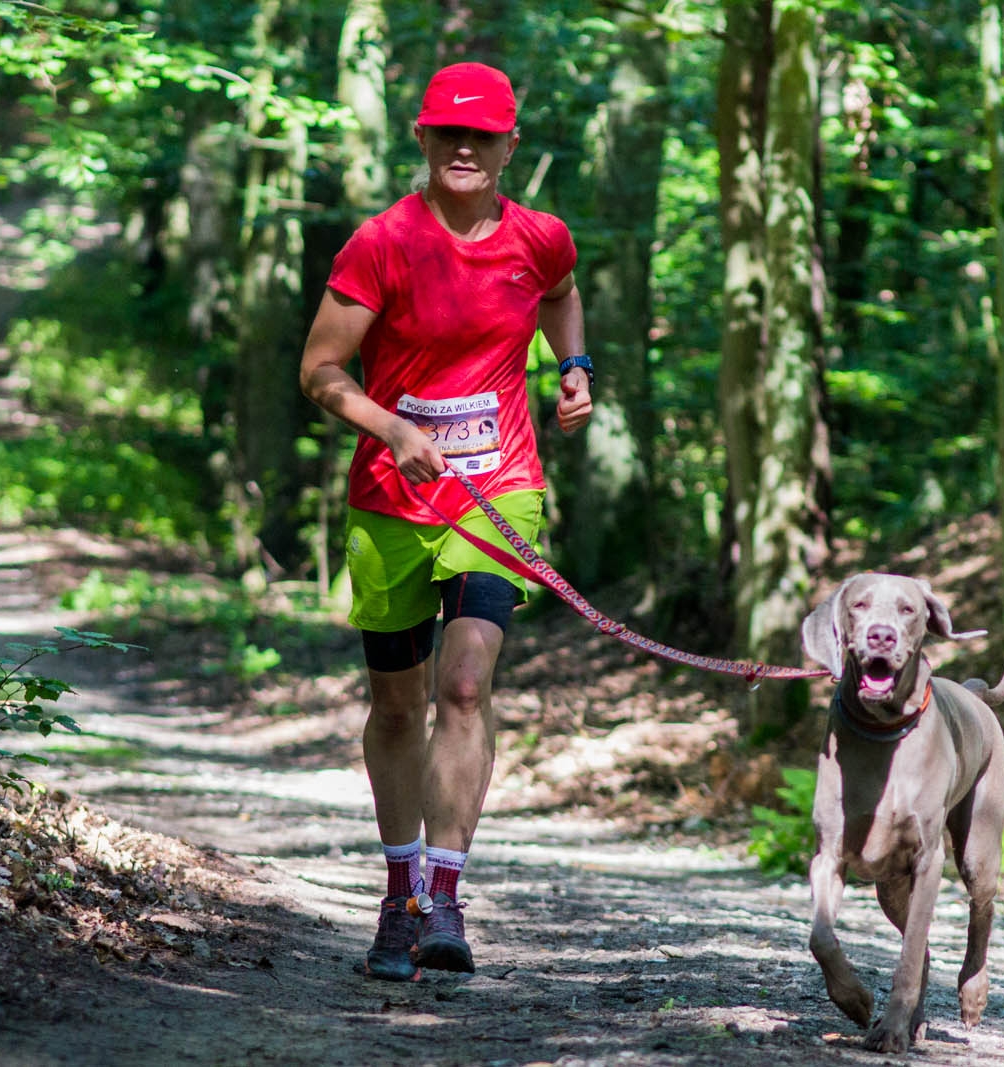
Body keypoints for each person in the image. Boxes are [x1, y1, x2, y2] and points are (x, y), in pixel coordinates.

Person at [299, 61, 593, 981]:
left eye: (483, 135)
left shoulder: (540, 238)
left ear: (510, 146)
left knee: (464, 685)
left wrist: (574, 367)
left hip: (498, 489)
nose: (464, 147)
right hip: (392, 497)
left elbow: (560, 292)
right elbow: (319, 372)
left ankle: (446, 897)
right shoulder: (382, 243)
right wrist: (392, 427)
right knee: (397, 704)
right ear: (422, 139)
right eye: (447, 133)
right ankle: (399, 894)